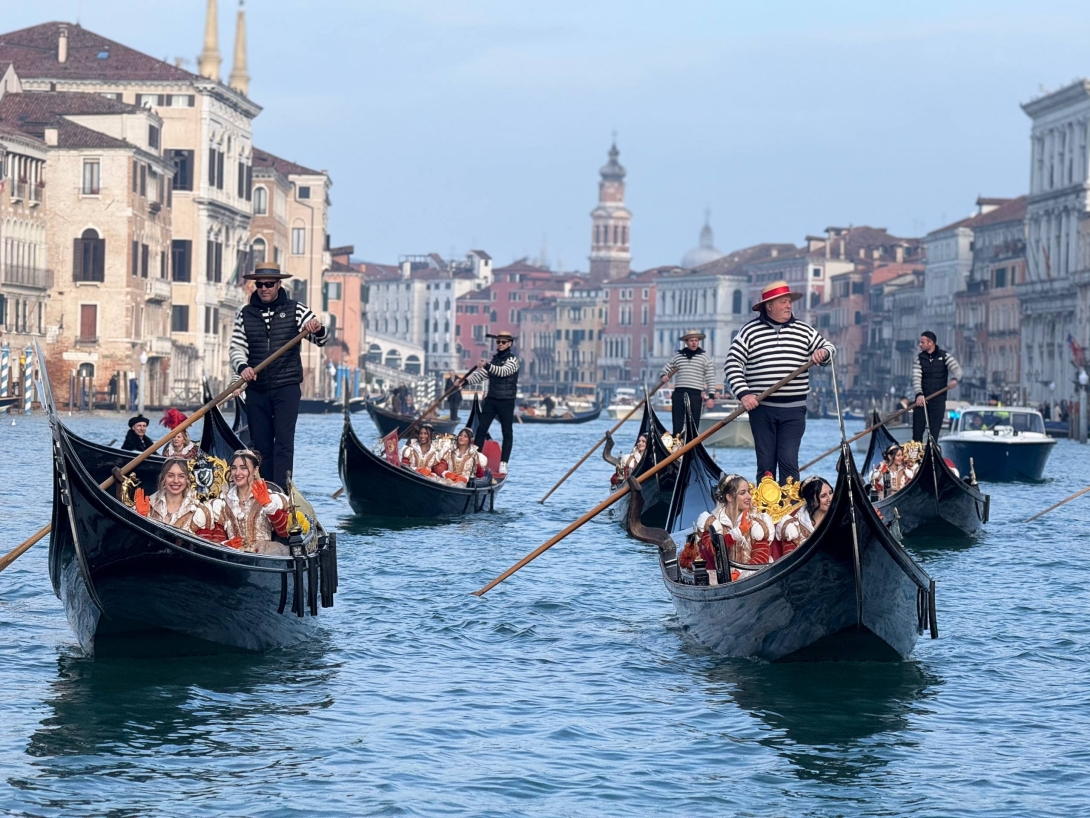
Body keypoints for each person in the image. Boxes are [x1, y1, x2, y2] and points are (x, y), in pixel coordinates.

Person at [228, 260, 327, 490]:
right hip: (257, 386)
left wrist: (317, 327)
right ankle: (265, 487)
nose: (264, 288)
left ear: (278, 284)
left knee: (283, 442)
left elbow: (320, 339)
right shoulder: (245, 314)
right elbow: (236, 348)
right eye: (260, 284)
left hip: (287, 385)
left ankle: (280, 490)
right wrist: (243, 367)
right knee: (261, 445)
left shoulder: (296, 309)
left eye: (269, 284)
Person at [725, 280, 834, 484]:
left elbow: (829, 349)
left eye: (789, 302)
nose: (788, 306)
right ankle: (767, 510)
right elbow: (732, 363)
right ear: (769, 306)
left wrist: (824, 352)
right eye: (783, 302)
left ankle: (790, 509)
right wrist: (744, 394)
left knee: (788, 461)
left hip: (794, 410)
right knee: (765, 464)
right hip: (761, 409)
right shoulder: (749, 332)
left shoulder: (804, 330)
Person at [462, 330, 519, 476]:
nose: (500, 344)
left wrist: (486, 365)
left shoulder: (513, 361)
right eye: (498, 342)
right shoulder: (494, 360)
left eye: (503, 342)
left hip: (506, 401)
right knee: (481, 429)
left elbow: (502, 372)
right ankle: (475, 460)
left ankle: (503, 463)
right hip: (492, 399)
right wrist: (465, 381)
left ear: (509, 344)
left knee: (507, 432)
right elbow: (482, 375)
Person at [132, 458, 228, 543]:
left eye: (181, 476)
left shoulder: (201, 511)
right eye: (170, 475)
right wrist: (141, 518)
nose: (176, 481)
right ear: (163, 478)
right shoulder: (148, 505)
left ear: (187, 479)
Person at [220, 449, 292, 554]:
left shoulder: (271, 498)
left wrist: (269, 506)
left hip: (265, 553)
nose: (237, 473)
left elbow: (285, 532)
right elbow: (213, 532)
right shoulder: (223, 500)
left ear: (255, 470)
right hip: (231, 555)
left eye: (243, 468)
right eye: (234, 468)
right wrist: (226, 544)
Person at [696, 473, 776, 566]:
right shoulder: (711, 522)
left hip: (752, 573)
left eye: (748, 492)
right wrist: (737, 533)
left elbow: (761, 555)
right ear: (729, 497)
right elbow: (713, 550)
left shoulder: (756, 522)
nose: (749, 496)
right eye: (742, 493)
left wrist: (739, 573)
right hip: (721, 577)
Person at [660, 330, 717, 436]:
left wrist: (711, 397)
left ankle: (692, 444)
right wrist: (663, 376)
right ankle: (677, 443)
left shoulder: (705, 358)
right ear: (686, 342)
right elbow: (666, 369)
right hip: (679, 393)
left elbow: (710, 378)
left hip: (695, 394)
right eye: (691, 340)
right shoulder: (678, 356)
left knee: (693, 424)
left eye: (696, 340)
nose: (694, 343)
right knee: (677, 423)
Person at [912, 330, 961, 444]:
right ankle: (915, 456)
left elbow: (957, 370)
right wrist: (919, 394)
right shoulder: (919, 359)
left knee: (934, 433)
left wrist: (955, 379)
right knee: (917, 432)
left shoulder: (945, 357)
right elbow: (916, 378)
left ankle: (932, 453)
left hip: (938, 399)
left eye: (922, 342)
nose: (920, 344)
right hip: (922, 400)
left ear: (930, 343)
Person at [778, 476, 833, 554]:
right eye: (823, 496)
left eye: (830, 493)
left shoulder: (841, 518)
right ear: (811, 501)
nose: (830, 499)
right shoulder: (793, 527)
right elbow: (790, 559)